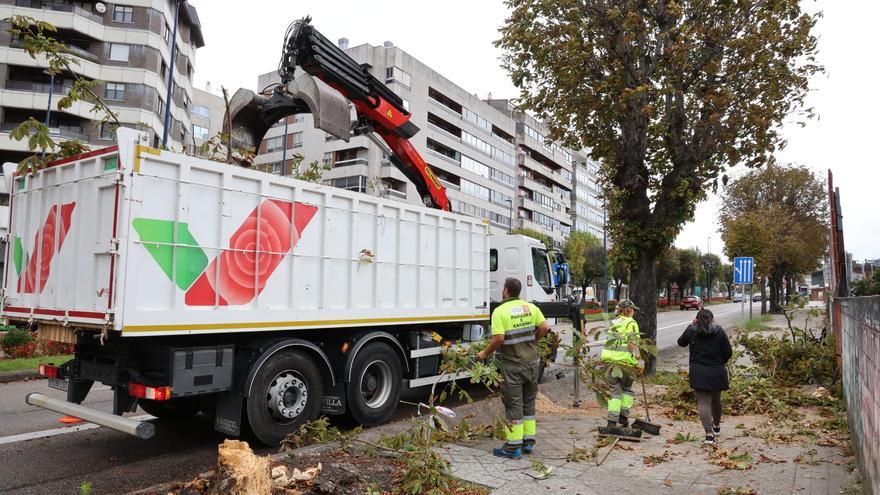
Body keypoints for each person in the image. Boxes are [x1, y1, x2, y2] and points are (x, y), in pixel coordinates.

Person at [477, 277, 550, 459]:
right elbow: (544, 327)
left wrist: (484, 354)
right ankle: (528, 441)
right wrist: (534, 340)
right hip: (532, 362)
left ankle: (513, 447)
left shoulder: (500, 311)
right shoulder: (530, 307)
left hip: (513, 365)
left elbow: (498, 338)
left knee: (514, 403)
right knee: (529, 401)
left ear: (506, 291)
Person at [677, 308, 733, 445]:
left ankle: (709, 435)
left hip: (698, 370)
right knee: (716, 399)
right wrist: (720, 362)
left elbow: (681, 342)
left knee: (703, 402)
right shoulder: (719, 331)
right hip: (717, 370)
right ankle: (717, 426)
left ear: (696, 319)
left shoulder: (692, 330)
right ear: (712, 318)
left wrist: (690, 326)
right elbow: (728, 351)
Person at [600, 299, 641, 428]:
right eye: (633, 309)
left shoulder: (614, 322)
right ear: (629, 310)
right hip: (625, 364)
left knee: (614, 392)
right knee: (626, 390)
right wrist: (637, 359)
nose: (634, 312)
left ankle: (611, 421)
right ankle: (623, 417)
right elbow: (631, 345)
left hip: (609, 363)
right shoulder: (631, 323)